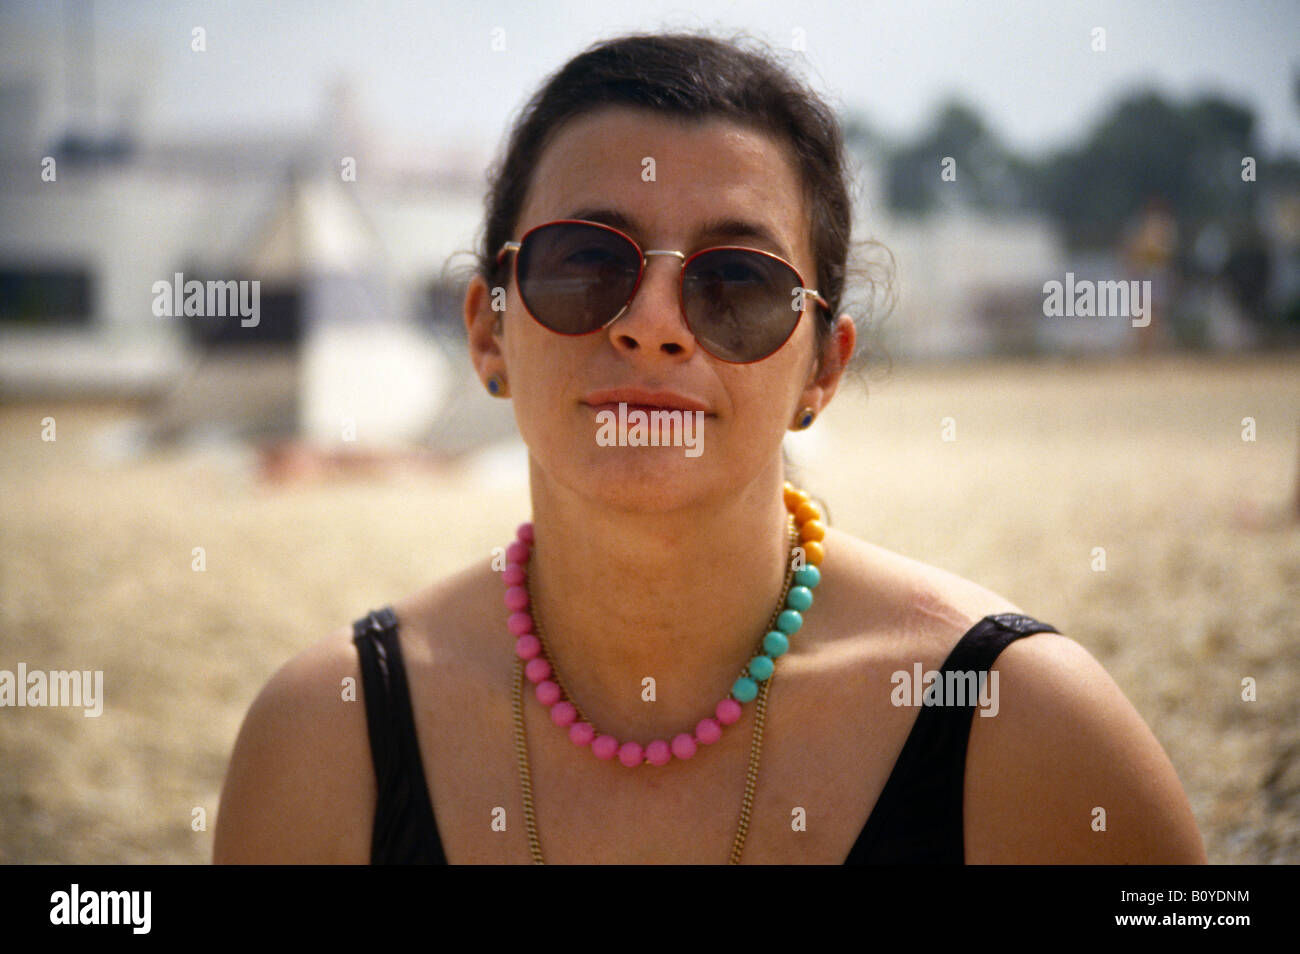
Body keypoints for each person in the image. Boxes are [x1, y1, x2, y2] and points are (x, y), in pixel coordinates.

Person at [213, 31, 1207, 864]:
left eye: (736, 284)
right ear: (487, 329)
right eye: (585, 262)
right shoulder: (328, 737)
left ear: (821, 368)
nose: (652, 325)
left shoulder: (1021, 726)